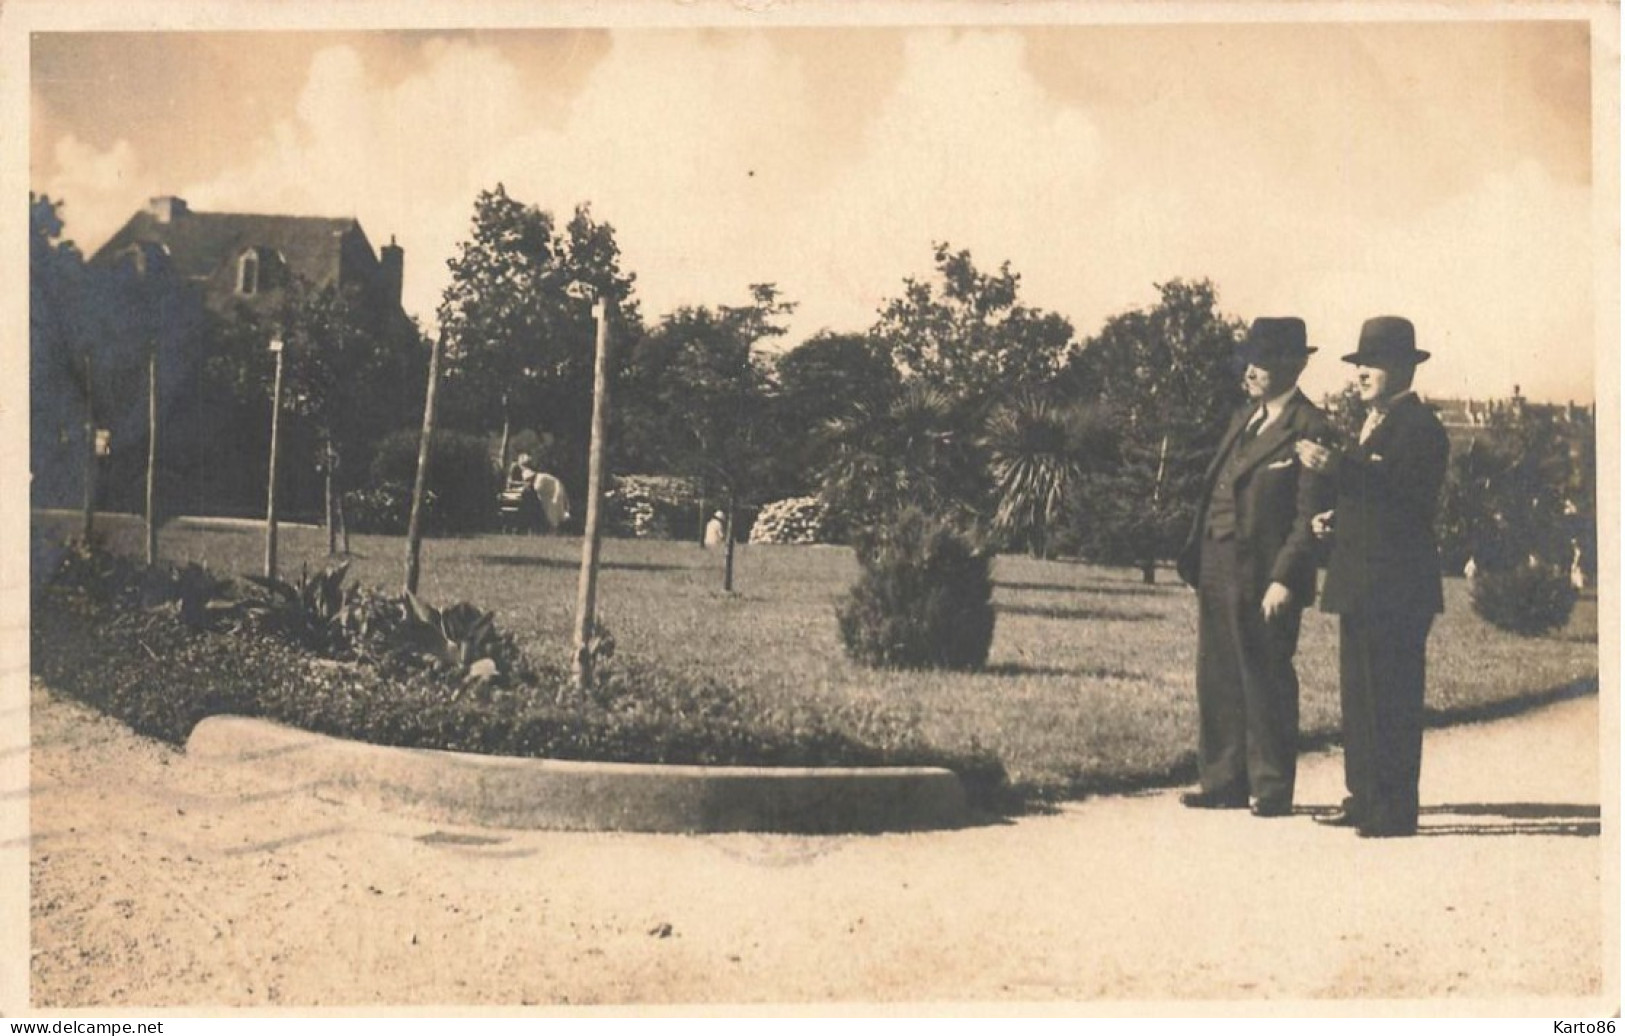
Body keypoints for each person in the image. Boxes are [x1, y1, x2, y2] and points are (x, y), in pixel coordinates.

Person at [1296, 315, 1449, 839]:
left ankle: (1394, 809)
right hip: (1362, 581)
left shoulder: (1421, 428)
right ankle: (1364, 797)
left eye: (1373, 365)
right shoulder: (1373, 425)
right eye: (1359, 364)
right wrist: (1334, 521)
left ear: (1404, 369)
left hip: (1398, 586)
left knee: (1393, 698)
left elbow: (1404, 498)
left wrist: (1335, 467)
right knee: (1359, 696)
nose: (1361, 374)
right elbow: (1374, 502)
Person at [1175, 317, 1333, 818]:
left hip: (1266, 572)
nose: (1251, 370)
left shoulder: (1310, 426)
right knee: (1218, 671)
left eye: (1262, 362)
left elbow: (1309, 516)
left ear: (1295, 364)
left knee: (1265, 674)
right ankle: (1222, 779)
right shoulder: (1246, 417)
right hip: (1218, 562)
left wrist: (1286, 578)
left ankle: (1270, 787)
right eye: (1250, 359)